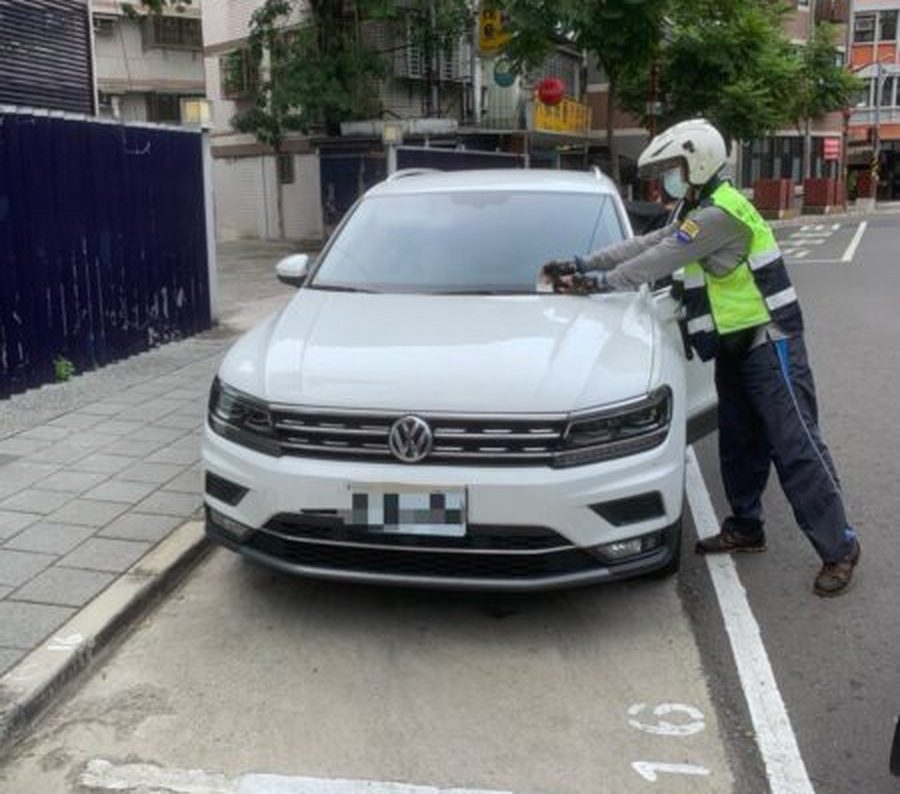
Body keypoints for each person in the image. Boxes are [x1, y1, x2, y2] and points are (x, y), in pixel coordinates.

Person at [543, 118, 860, 597]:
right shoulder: (696, 208)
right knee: (739, 444)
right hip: (735, 346)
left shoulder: (720, 214)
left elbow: (657, 260)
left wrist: (596, 283)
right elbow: (648, 242)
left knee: (795, 448)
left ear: (699, 161)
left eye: (676, 166)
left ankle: (840, 547)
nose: (671, 176)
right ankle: (746, 528)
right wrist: (584, 263)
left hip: (770, 342)